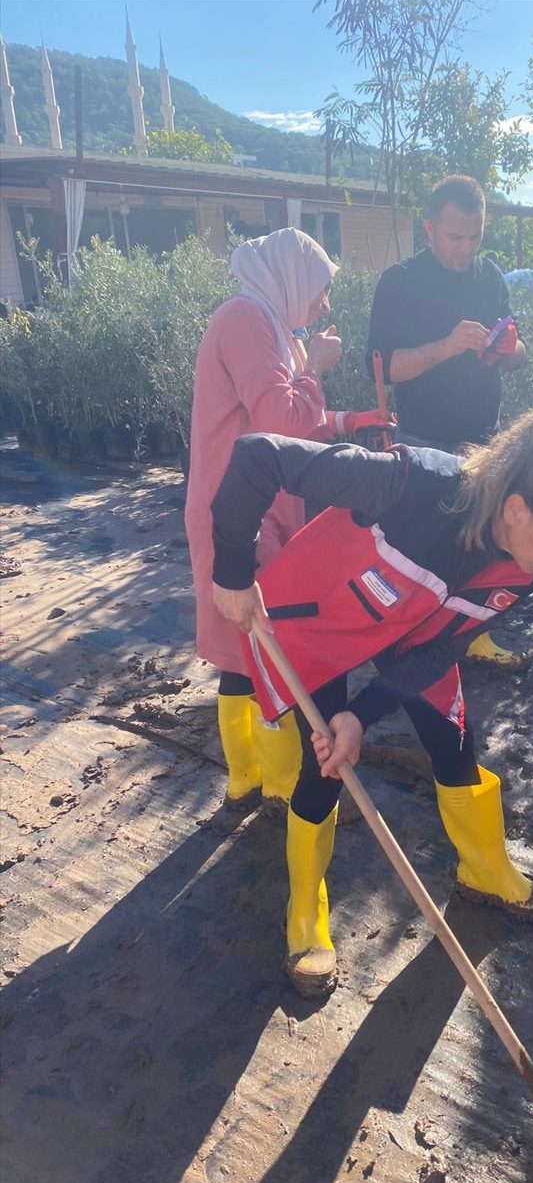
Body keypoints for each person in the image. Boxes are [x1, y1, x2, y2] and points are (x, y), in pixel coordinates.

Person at [210, 405, 533, 997]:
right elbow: (258, 454)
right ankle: (305, 914)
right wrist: (231, 572)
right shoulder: (408, 485)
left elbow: (441, 651)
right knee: (326, 765)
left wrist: (364, 713)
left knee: (455, 747)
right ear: (516, 509)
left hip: (415, 632)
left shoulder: (531, 568)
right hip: (321, 620)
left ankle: (484, 871)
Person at [185, 227, 388, 816]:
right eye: (322, 289)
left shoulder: (266, 323)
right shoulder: (247, 318)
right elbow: (285, 419)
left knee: (242, 645)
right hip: (240, 513)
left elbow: (299, 420)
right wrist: (314, 362)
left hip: (249, 505)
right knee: (268, 647)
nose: (325, 304)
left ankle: (247, 779)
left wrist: (353, 421)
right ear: (294, 278)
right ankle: (273, 784)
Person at [366, 174, 527, 668]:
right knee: (422, 547)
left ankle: (469, 633)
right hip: (422, 439)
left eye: (475, 236)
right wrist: (446, 345)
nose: (465, 248)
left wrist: (509, 350)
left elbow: (519, 353)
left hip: (484, 439)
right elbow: (387, 367)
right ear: (429, 228)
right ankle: (409, 640)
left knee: (481, 543)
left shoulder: (491, 278)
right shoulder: (401, 282)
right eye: (455, 236)